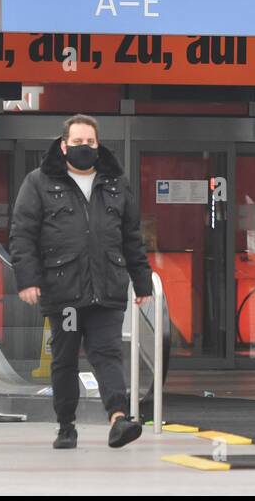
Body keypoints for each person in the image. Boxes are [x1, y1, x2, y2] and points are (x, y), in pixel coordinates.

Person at [10, 114, 152, 449]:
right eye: (77, 142)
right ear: (63, 145)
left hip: (107, 289)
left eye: (89, 142)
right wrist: (27, 280)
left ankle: (118, 418)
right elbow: (22, 235)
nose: (84, 147)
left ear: (98, 144)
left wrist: (142, 281)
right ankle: (66, 425)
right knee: (65, 359)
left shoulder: (117, 183)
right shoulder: (39, 182)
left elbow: (132, 235)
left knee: (107, 353)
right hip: (64, 293)